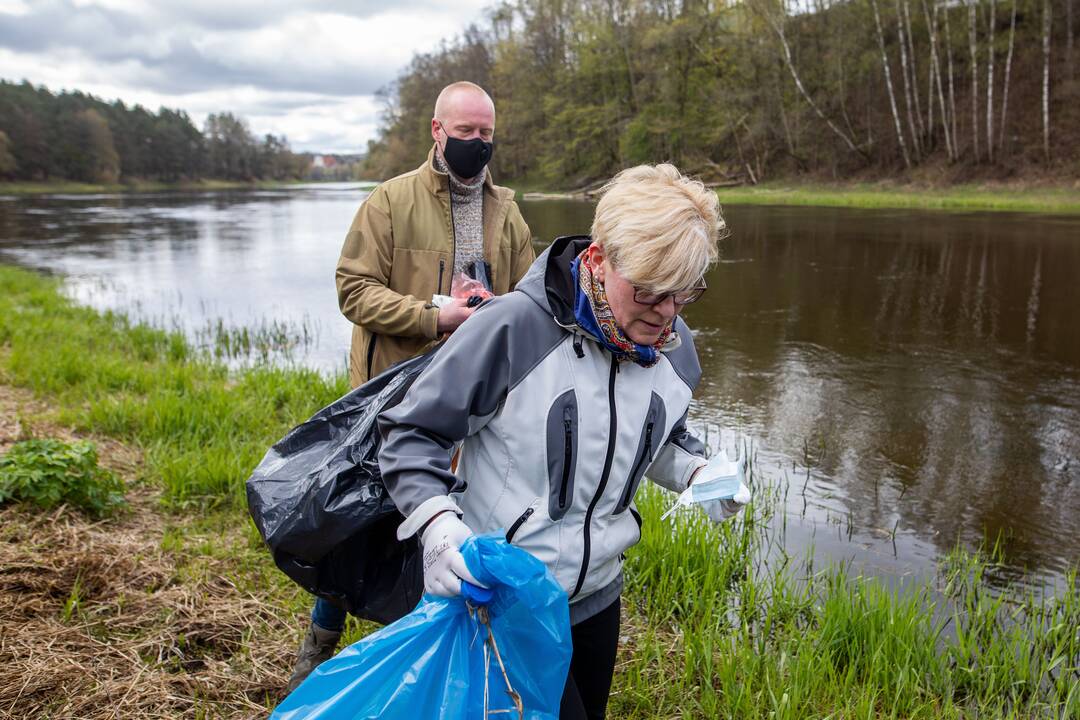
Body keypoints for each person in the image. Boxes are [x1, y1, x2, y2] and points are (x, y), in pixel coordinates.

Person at [378, 164, 748, 719]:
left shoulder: (675, 347)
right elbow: (411, 432)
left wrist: (699, 473)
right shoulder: (510, 330)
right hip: (502, 598)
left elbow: (661, 438)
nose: (666, 314)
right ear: (598, 261)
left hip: (599, 596)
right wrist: (436, 525)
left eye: (684, 294)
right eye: (649, 291)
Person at [286, 80, 536, 693]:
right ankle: (319, 647)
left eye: (486, 133)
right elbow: (353, 289)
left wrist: (498, 308)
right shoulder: (389, 201)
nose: (477, 143)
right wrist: (434, 314)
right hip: (393, 399)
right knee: (366, 527)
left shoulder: (507, 211)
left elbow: (533, 300)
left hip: (476, 405)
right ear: (437, 130)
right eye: (466, 131)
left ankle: (427, 665)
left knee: (448, 525)